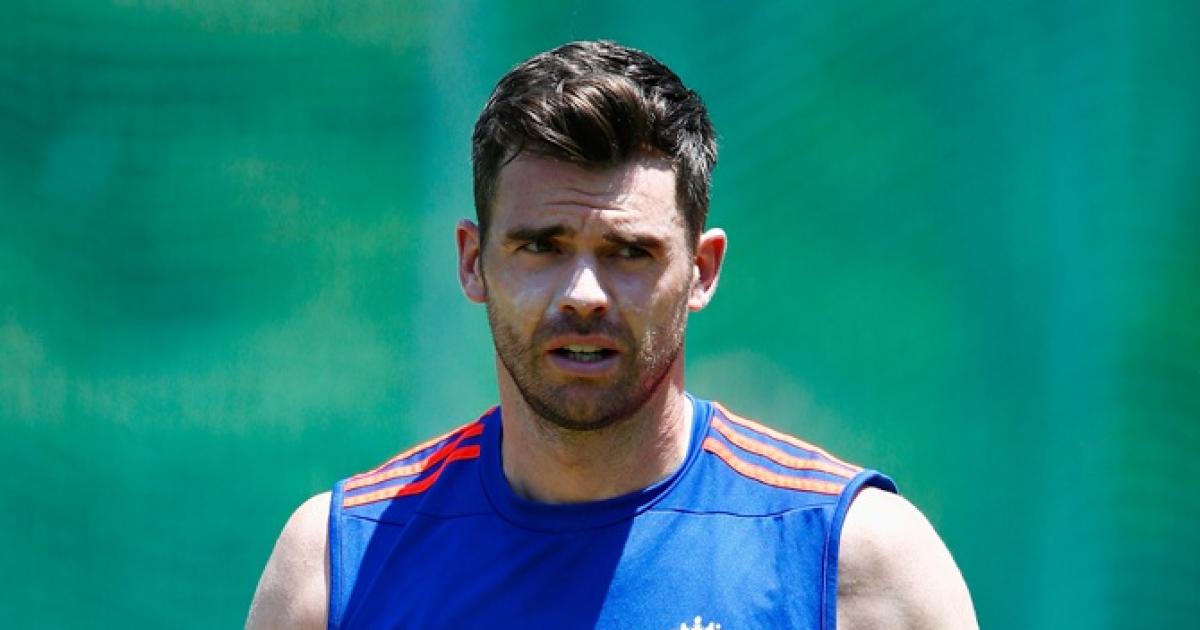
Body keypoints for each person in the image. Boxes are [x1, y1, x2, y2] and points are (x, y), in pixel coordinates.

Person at [246, 40, 977, 629]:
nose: (584, 295)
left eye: (629, 252)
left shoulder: (855, 562)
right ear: (473, 262)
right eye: (542, 247)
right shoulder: (337, 567)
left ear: (701, 270)